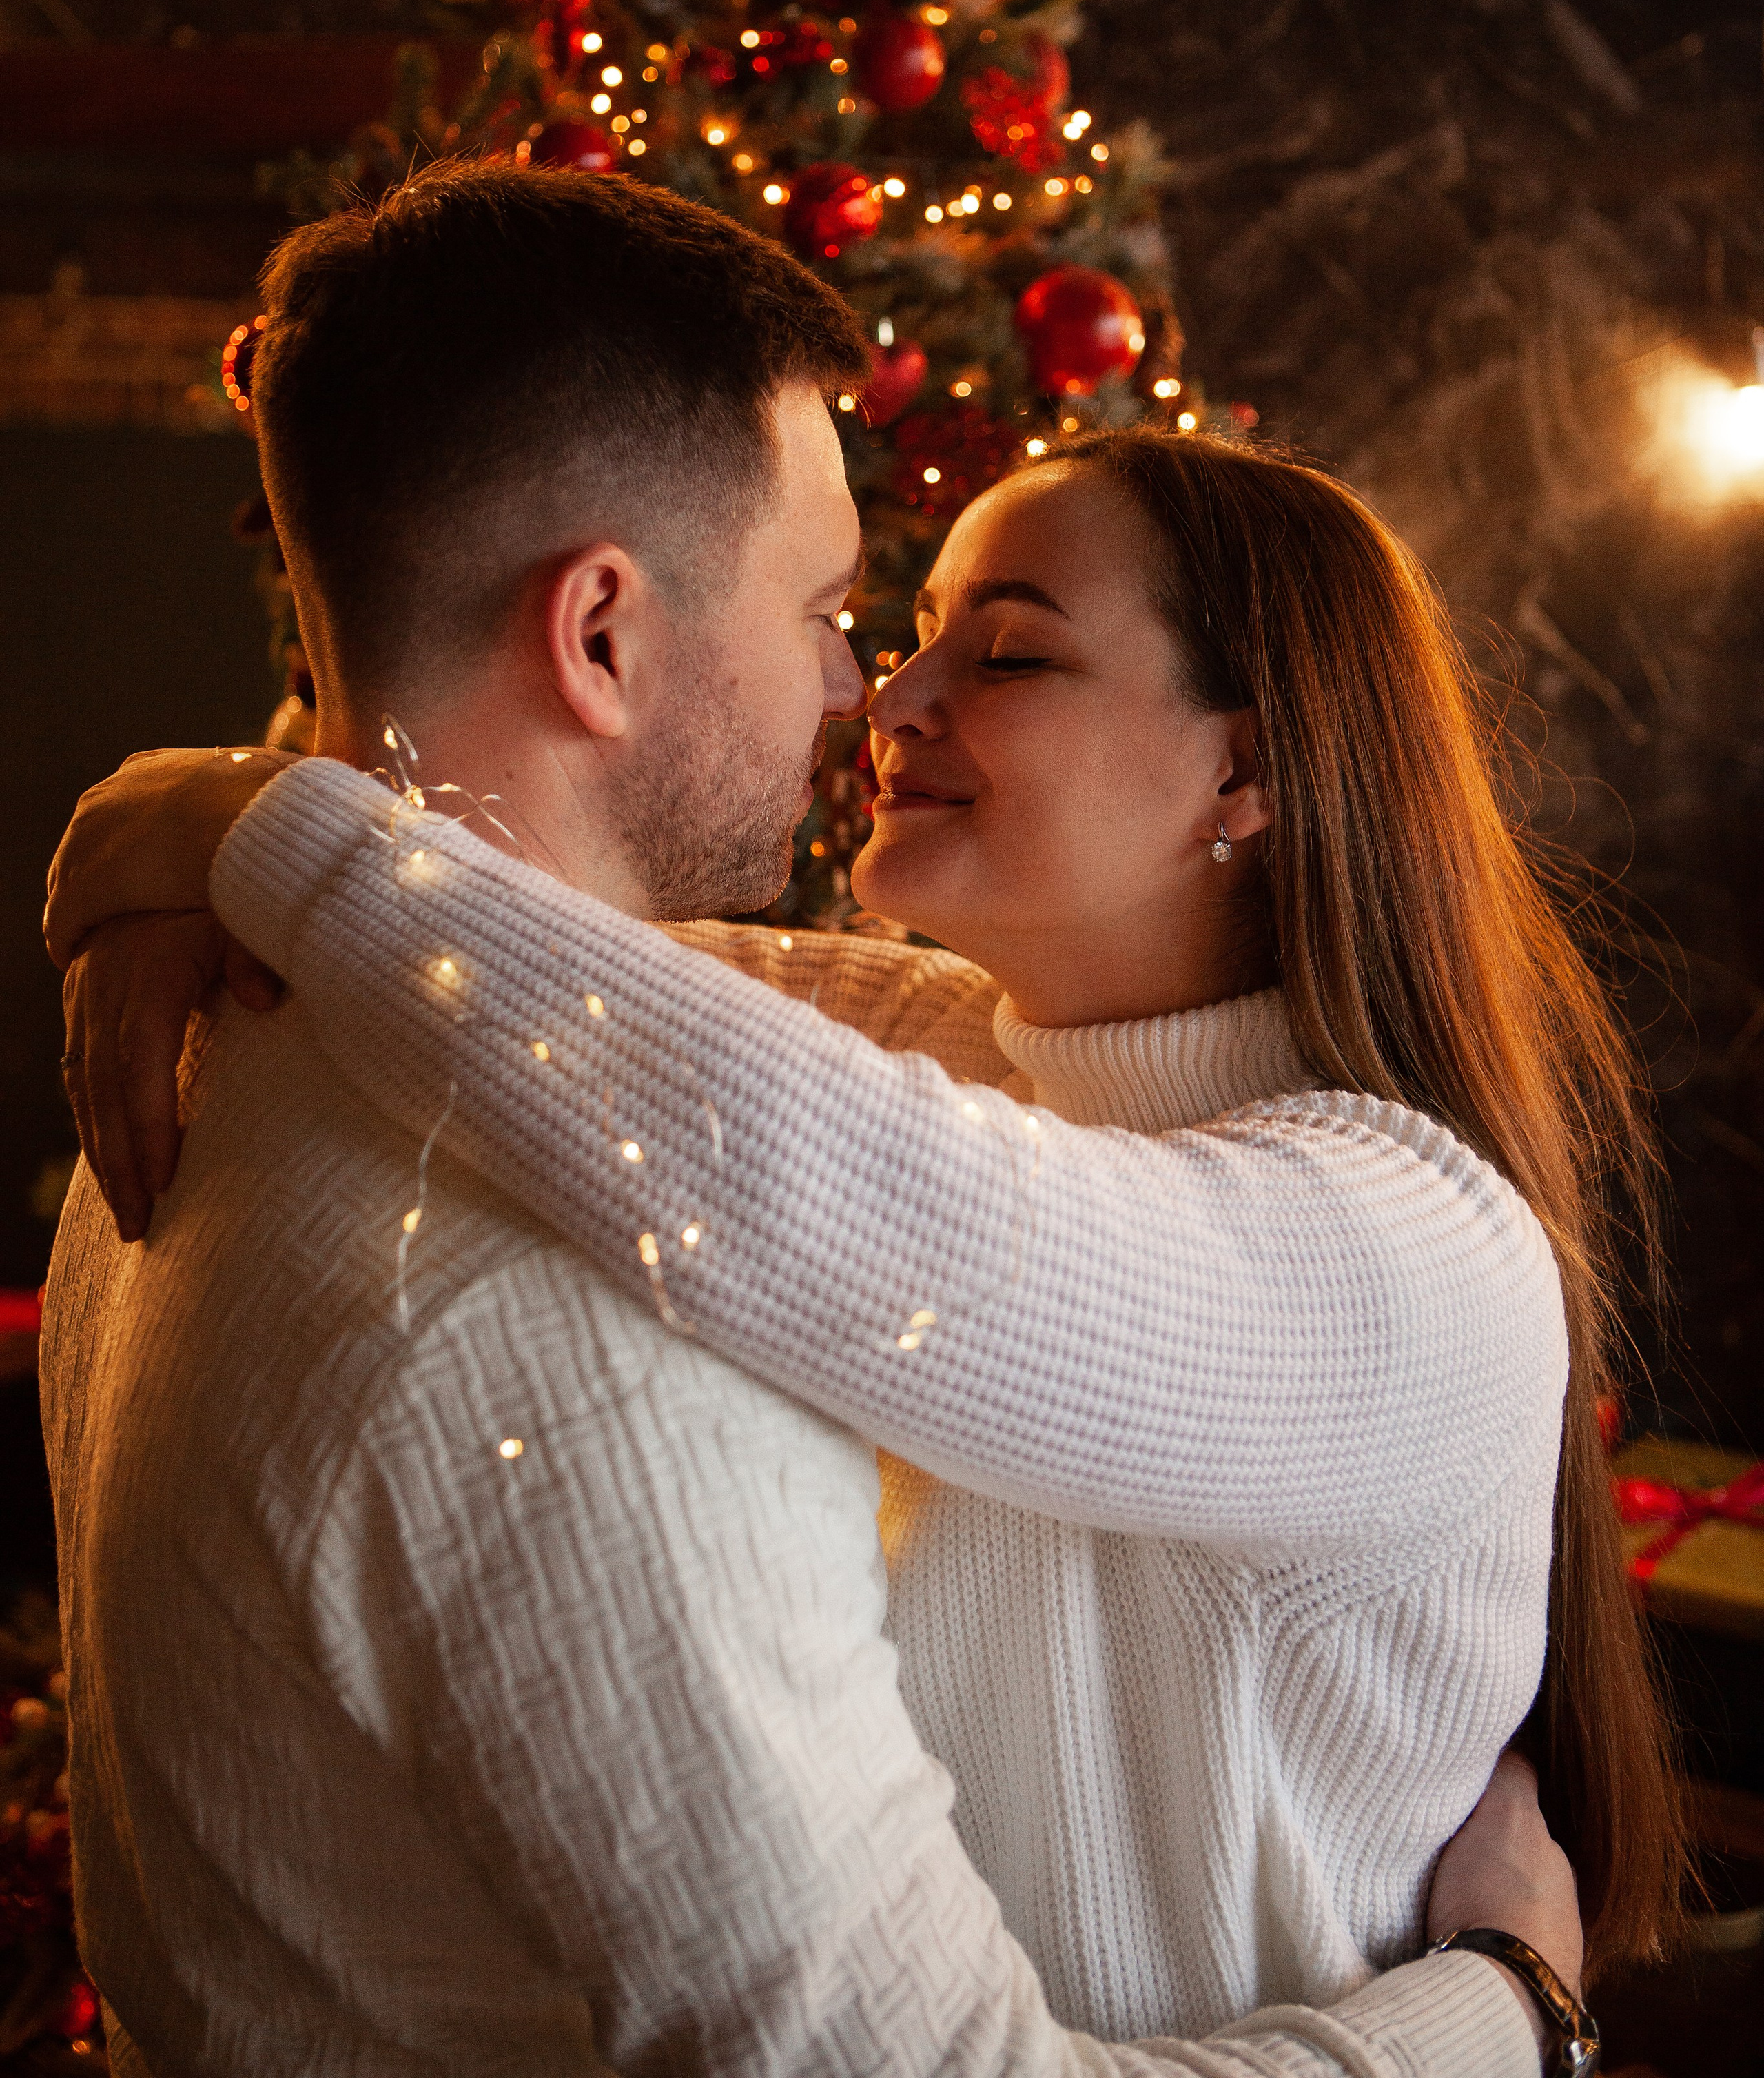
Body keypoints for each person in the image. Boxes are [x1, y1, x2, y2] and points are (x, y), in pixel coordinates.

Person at [48, 161, 1601, 2072]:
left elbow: (860, 1188)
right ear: (604, 633)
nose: (882, 693)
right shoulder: (879, 1096)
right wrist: (199, 819)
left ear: (1250, 773)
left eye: (1001, 650)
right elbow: (716, 1056)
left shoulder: (1404, 1249)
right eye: (867, 613)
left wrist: (259, 824)